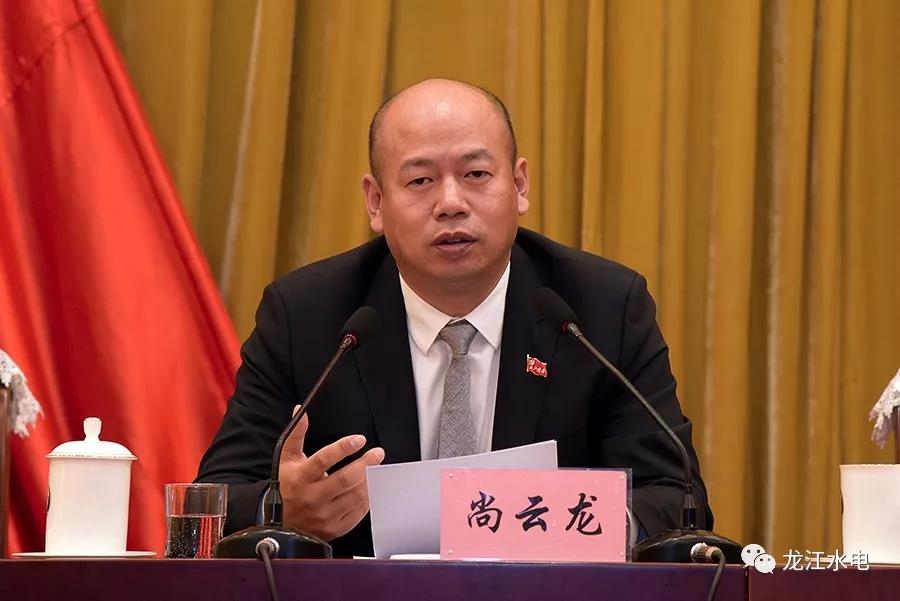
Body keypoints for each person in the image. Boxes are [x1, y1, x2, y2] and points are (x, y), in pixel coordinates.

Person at [197, 78, 713, 558]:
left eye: (476, 175)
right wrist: (280, 510)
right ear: (376, 202)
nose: (451, 203)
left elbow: (676, 499)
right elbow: (212, 501)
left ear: (520, 185)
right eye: (420, 180)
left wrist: (578, 522)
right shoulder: (308, 314)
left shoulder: (600, 309)